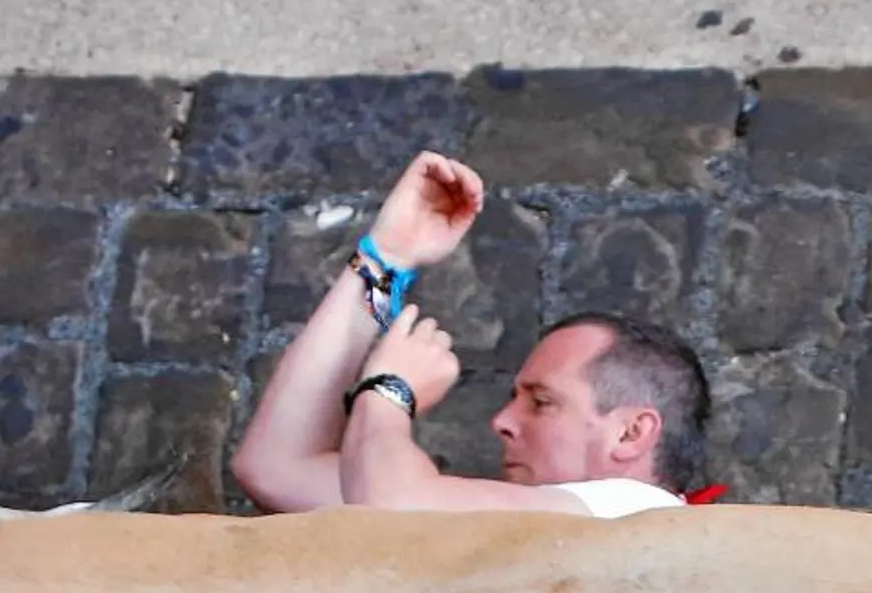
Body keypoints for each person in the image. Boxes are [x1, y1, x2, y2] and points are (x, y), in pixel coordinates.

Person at [231, 150, 719, 519]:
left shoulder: (629, 511)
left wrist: (388, 391)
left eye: (542, 401)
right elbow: (276, 466)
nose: (502, 421)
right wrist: (385, 259)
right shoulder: (540, 517)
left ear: (631, 433)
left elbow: (394, 510)